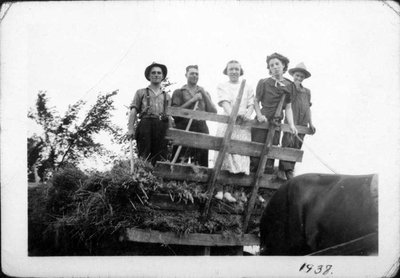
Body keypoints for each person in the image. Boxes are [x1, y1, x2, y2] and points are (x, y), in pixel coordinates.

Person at [252, 52, 298, 181]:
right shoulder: (264, 82)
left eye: (277, 64)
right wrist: (259, 115)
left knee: (271, 153)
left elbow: (288, 107)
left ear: (283, 65)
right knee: (256, 152)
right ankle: (248, 185)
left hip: (276, 122)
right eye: (271, 65)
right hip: (262, 121)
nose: (275, 67)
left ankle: (263, 186)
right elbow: (256, 101)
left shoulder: (290, 85)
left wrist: (292, 125)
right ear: (269, 68)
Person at [214, 60, 254, 202]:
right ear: (227, 71)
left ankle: (232, 191)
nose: (234, 72)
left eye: (237, 69)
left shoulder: (248, 87)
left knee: (239, 157)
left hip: (242, 124)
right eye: (231, 69)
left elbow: (251, 104)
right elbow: (224, 102)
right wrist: (233, 115)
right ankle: (220, 190)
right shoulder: (222, 86)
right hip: (228, 121)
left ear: (240, 71)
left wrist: (247, 116)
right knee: (225, 154)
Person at [171, 65, 217, 166]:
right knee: (180, 159)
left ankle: (199, 181)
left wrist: (204, 94)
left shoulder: (204, 93)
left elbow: (214, 112)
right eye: (192, 73)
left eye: (197, 74)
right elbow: (175, 113)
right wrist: (193, 100)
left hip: (201, 127)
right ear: (186, 75)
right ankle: (176, 180)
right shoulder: (179, 92)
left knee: (201, 162)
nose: (194, 76)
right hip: (183, 127)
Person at [127, 62, 171, 166]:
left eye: (159, 73)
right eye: (153, 73)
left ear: (163, 76)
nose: (156, 75)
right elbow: (133, 110)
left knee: (161, 155)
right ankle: (144, 178)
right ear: (149, 76)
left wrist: (171, 131)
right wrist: (130, 128)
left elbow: (169, 116)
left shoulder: (167, 96)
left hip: (161, 125)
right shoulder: (140, 92)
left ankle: (158, 180)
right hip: (145, 124)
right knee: (144, 153)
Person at [279, 62, 316, 179]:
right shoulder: (289, 88)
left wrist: (311, 123)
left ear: (304, 78)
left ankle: (290, 170)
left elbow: (308, 108)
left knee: (297, 145)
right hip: (291, 120)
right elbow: (285, 104)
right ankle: (283, 170)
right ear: (293, 75)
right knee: (287, 142)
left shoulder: (307, 92)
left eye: (301, 76)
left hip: (303, 122)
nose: (299, 78)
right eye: (297, 75)